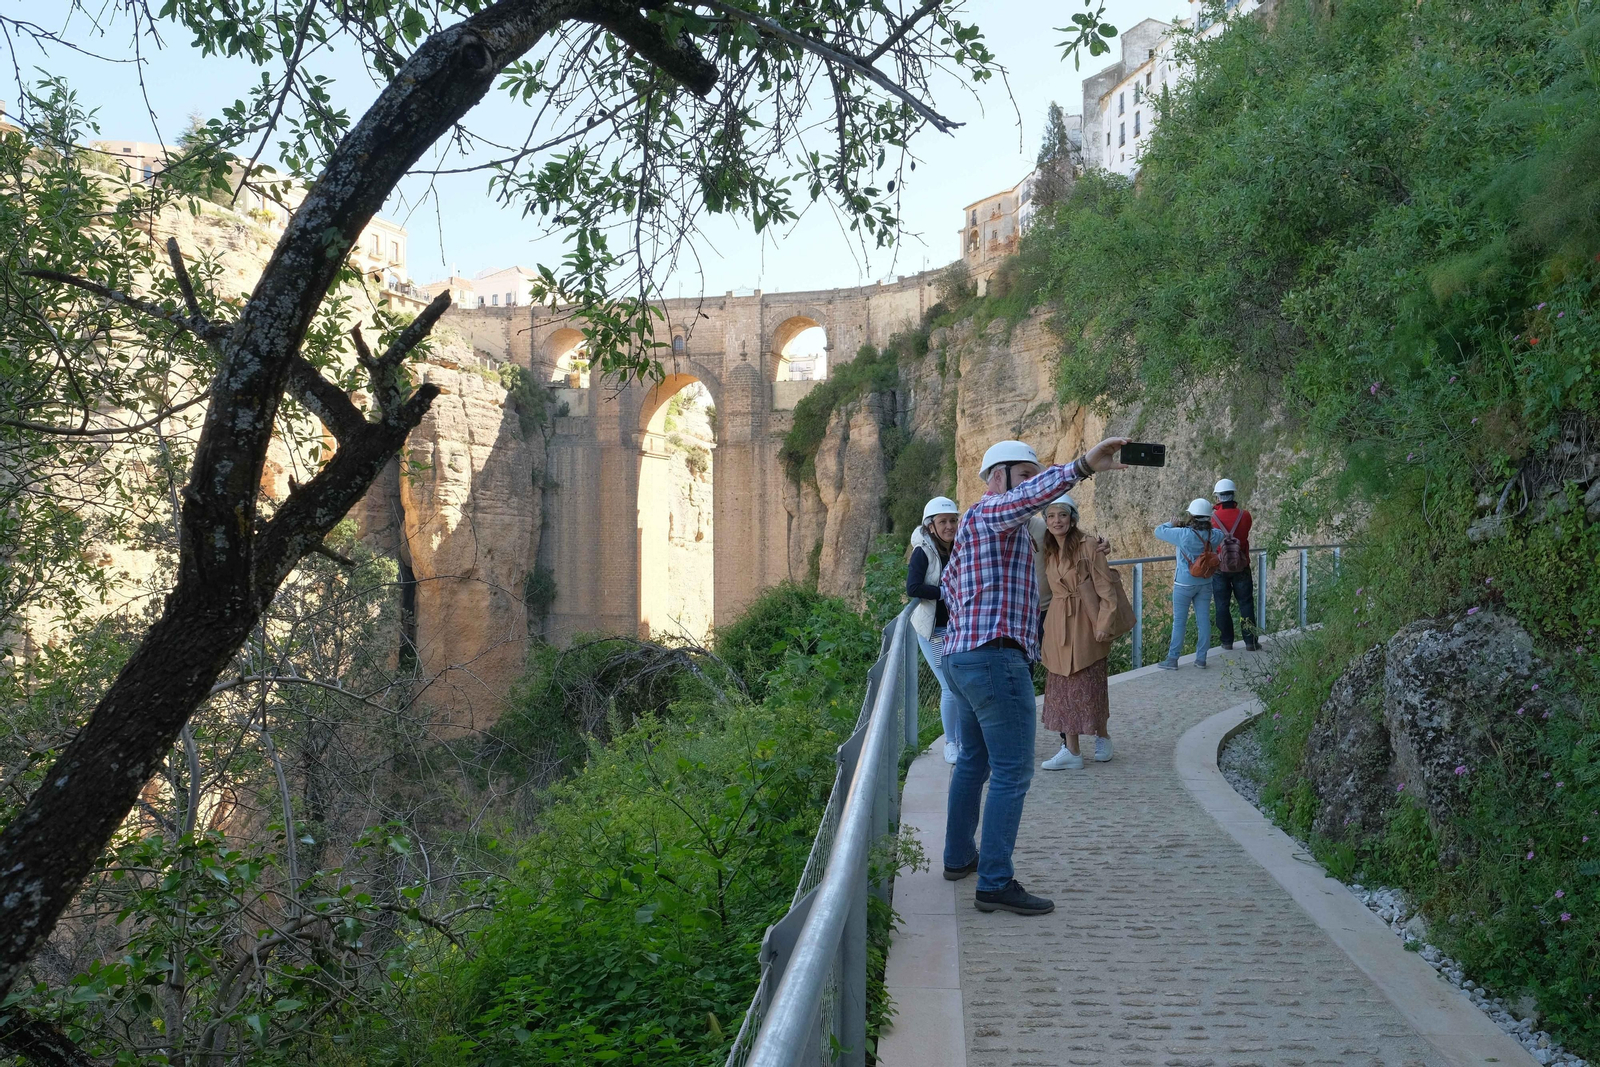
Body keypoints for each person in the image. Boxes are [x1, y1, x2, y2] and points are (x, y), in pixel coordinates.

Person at [939, 436, 1129, 917]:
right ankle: (994, 882)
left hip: (964, 658)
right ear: (997, 477)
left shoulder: (984, 527)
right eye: (1023, 475)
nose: (1031, 485)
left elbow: (950, 587)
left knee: (974, 762)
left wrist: (1092, 548)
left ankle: (959, 858)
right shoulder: (992, 511)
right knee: (1012, 770)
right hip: (995, 658)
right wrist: (1083, 465)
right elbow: (1027, 499)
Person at [1037, 495, 1117, 771]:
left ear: (1072, 519)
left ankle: (1102, 736)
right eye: (1050, 516)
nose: (1056, 521)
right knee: (1062, 687)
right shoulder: (1048, 548)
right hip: (1058, 620)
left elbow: (1106, 587)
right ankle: (1072, 750)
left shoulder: (1089, 545)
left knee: (1090, 682)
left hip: (1085, 620)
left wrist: (1104, 623)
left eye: (1062, 515)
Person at [907, 496, 962, 764]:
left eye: (953, 520)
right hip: (935, 631)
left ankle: (962, 740)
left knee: (961, 685)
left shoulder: (959, 548)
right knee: (949, 686)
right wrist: (943, 592)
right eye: (943, 522)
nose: (949, 526)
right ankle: (951, 743)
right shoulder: (923, 552)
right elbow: (913, 588)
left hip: (958, 628)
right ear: (931, 526)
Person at [1154, 499, 1225, 670]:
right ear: (1208, 517)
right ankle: (1201, 659)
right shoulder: (1214, 535)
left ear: (1192, 515)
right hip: (1205, 582)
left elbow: (1159, 531)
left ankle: (1173, 659)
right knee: (1203, 621)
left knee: (1179, 622)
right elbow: (1220, 533)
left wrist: (1172, 524)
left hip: (1184, 583)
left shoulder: (1183, 534)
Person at [1211, 478, 1259, 652]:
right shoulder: (1245, 515)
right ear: (1233, 495)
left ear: (1218, 497)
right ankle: (1250, 642)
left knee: (1222, 605)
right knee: (1245, 603)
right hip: (1241, 565)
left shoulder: (1212, 518)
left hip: (1219, 567)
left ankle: (1227, 641)